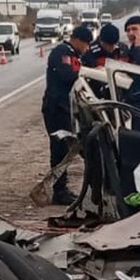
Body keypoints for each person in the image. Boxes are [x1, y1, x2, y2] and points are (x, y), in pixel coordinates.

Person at [42, 25, 93, 205]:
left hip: (65, 108)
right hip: (56, 108)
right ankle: (59, 191)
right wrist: (85, 72)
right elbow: (66, 75)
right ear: (77, 40)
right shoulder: (62, 52)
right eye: (86, 44)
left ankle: (61, 188)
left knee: (65, 150)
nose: (87, 49)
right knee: (60, 150)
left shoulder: (73, 54)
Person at [80, 23, 124, 98]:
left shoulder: (121, 49)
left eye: (114, 44)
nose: (112, 48)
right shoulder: (90, 52)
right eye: (109, 45)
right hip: (97, 92)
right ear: (101, 41)